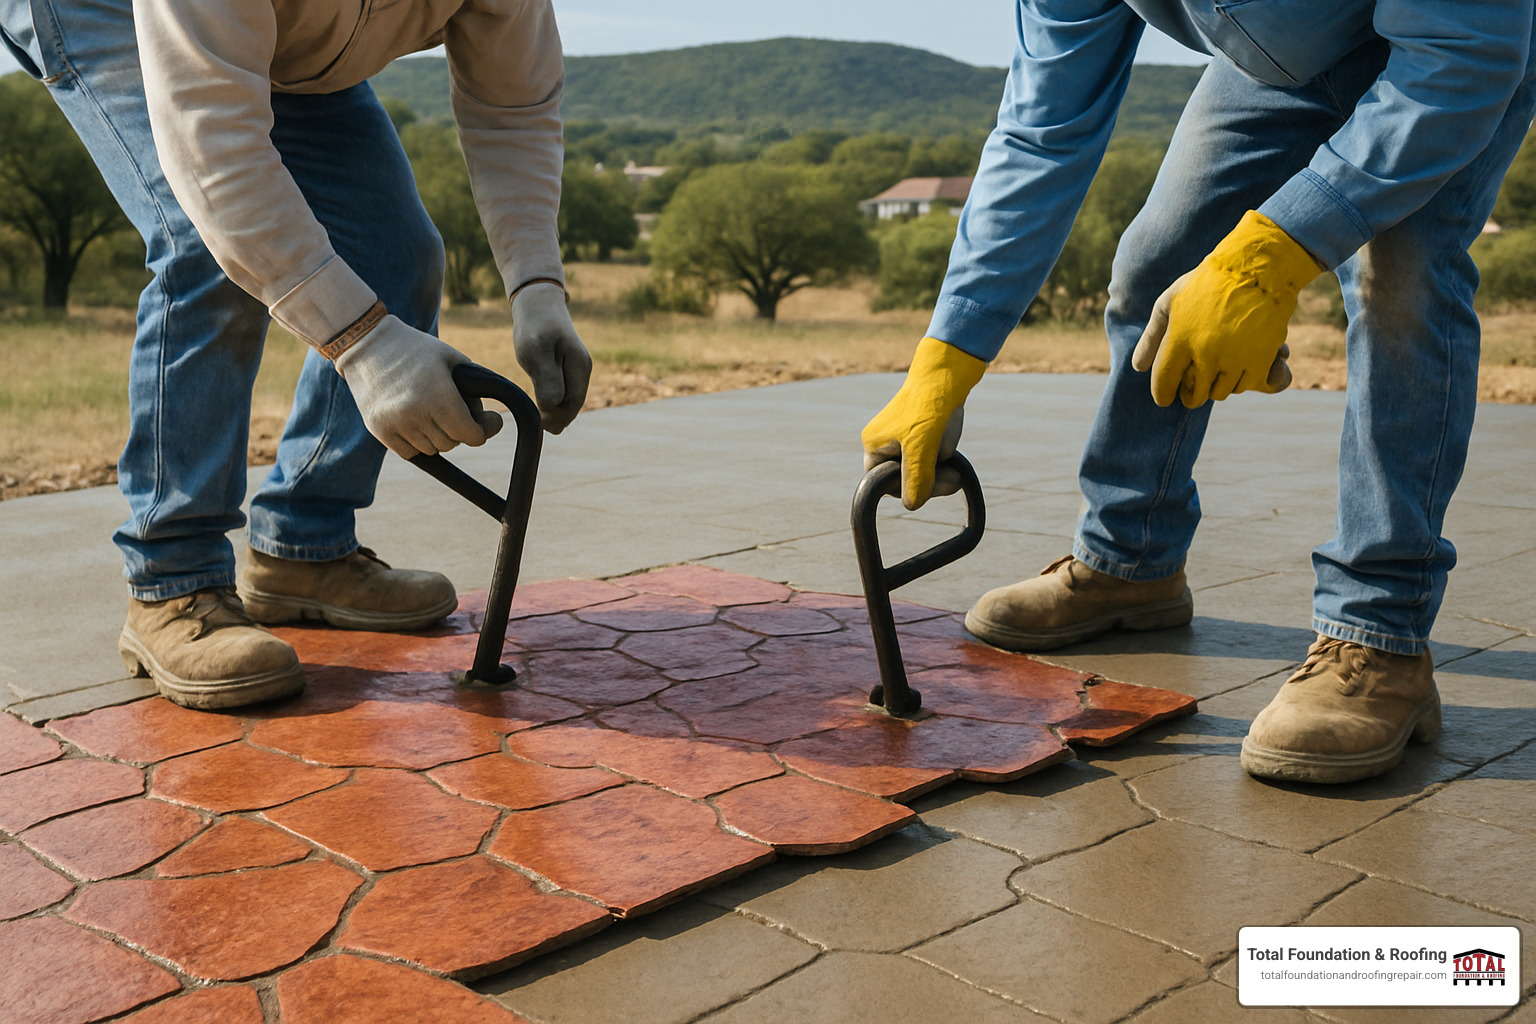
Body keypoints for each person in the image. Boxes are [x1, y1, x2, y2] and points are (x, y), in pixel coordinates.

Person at [863, 0, 1535, 783]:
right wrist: (951, 348)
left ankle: (1379, 636)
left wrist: (1272, 256)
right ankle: (1130, 559)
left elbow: (1464, 55)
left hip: (1457, 47)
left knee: (1401, 276)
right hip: (1282, 64)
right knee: (1158, 256)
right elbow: (1042, 131)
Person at [0, 0, 590, 710]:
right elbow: (214, 146)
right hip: (107, 10)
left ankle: (303, 549)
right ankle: (173, 584)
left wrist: (536, 286)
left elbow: (512, 108)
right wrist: (365, 343)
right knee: (203, 250)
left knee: (395, 254)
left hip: (288, 38)